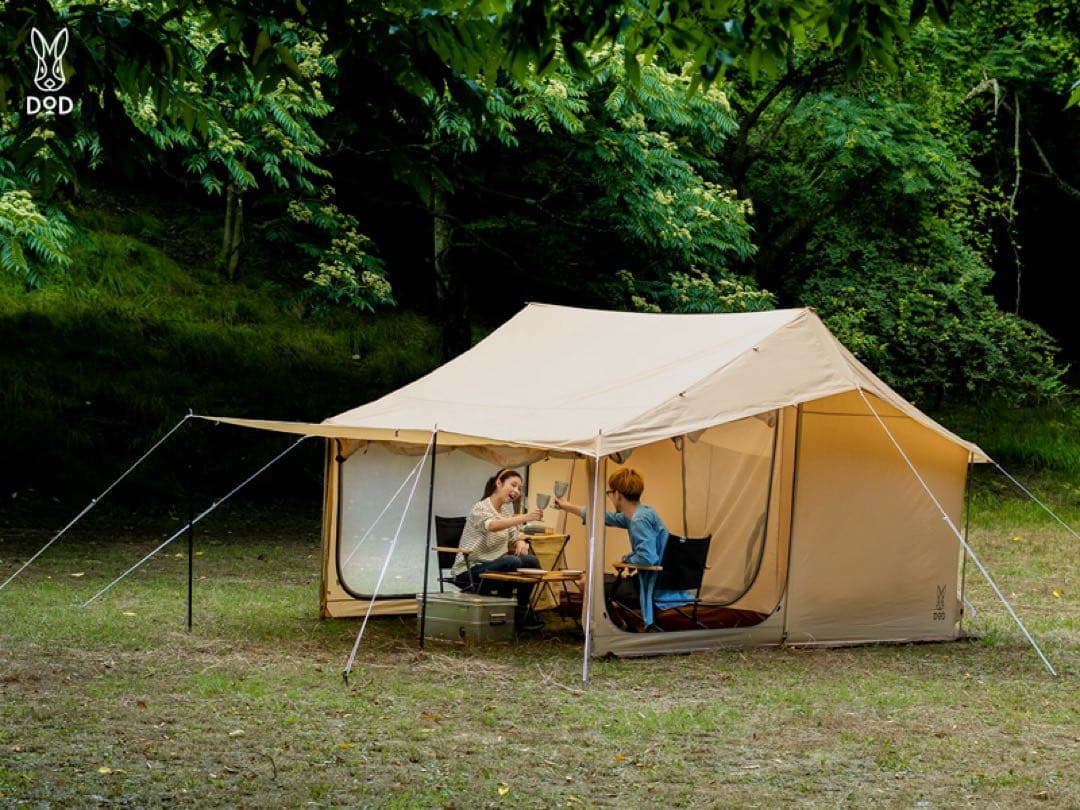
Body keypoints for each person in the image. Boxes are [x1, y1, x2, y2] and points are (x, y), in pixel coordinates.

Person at [553, 467, 691, 631]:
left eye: (609, 493)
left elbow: (648, 557)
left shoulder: (638, 520)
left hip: (651, 585)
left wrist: (627, 559)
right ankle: (619, 625)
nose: (610, 497)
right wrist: (567, 506)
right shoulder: (644, 513)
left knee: (586, 583)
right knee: (588, 577)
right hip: (664, 582)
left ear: (617, 494)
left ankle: (614, 627)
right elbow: (604, 517)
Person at [452, 468, 545, 631]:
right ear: (499, 483)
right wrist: (525, 517)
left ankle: (521, 612)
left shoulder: (506, 512)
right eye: (513, 485)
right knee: (512, 561)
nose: (516, 491)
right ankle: (505, 611)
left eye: (519, 488)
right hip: (469, 570)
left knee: (531, 561)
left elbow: (515, 535)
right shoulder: (480, 508)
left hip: (497, 566)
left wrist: (521, 541)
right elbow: (493, 526)